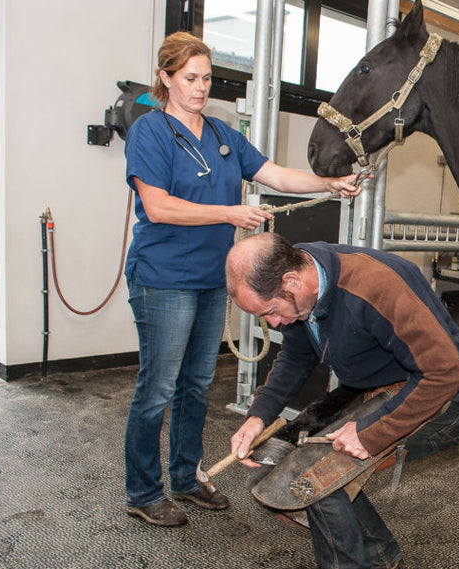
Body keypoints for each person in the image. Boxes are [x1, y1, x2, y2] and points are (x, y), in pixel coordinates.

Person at [122, 31, 361, 528]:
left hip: (213, 278)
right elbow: (157, 206)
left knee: (196, 385)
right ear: (165, 79)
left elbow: (274, 174)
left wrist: (329, 183)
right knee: (159, 387)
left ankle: (186, 479)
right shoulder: (150, 131)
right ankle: (144, 491)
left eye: (207, 78)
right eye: (190, 78)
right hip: (163, 278)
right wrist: (229, 211)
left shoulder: (222, 135)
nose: (200, 87)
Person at [227, 232, 459, 569]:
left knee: (315, 477)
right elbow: (296, 356)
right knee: (283, 456)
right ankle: (379, 557)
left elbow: (444, 373)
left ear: (292, 280)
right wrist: (258, 417)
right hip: (378, 387)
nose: (273, 322)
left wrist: (370, 434)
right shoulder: (298, 284)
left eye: (273, 310)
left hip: (445, 396)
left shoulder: (378, 285)